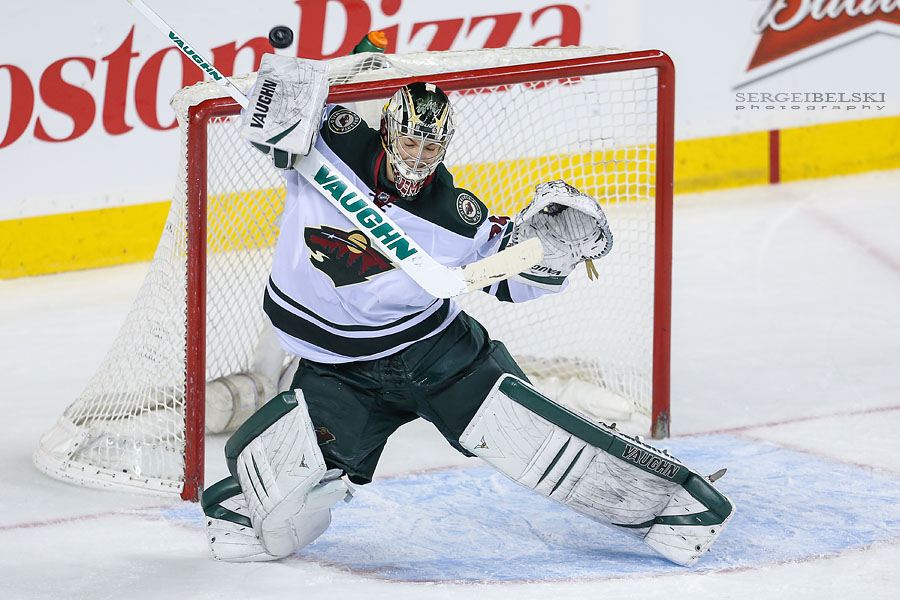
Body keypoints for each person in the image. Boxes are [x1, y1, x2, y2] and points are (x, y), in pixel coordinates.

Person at [201, 80, 733, 567]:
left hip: (434, 355)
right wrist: (285, 96)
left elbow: (510, 275)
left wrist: (549, 254)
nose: (418, 158)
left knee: (526, 435)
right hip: (338, 369)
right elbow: (274, 113)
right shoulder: (334, 143)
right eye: (410, 143)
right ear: (387, 132)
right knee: (259, 502)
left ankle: (679, 503)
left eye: (432, 148)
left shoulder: (455, 215)